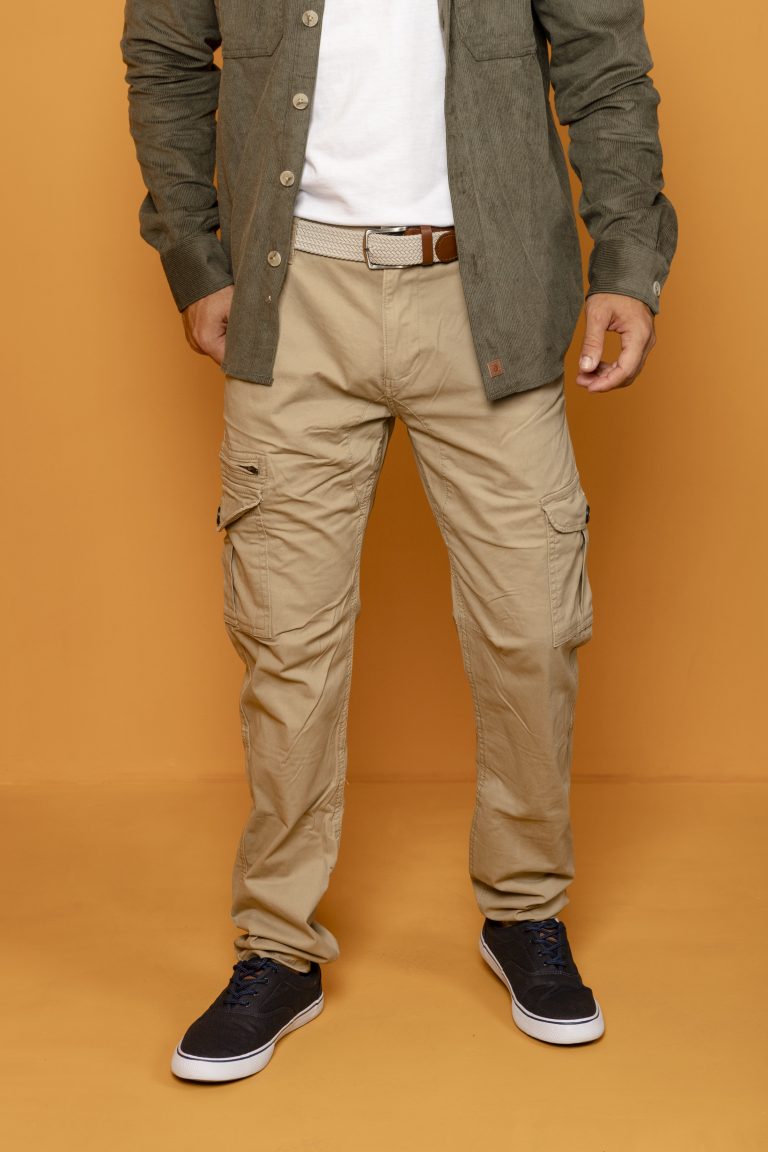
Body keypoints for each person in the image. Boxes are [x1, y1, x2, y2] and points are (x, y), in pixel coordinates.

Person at [120, 0, 677, 1081]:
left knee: (532, 624)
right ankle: (276, 947)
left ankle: (525, 911)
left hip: (492, 288)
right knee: (286, 641)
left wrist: (625, 264)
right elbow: (165, 53)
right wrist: (197, 256)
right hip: (292, 292)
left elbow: (606, 61)